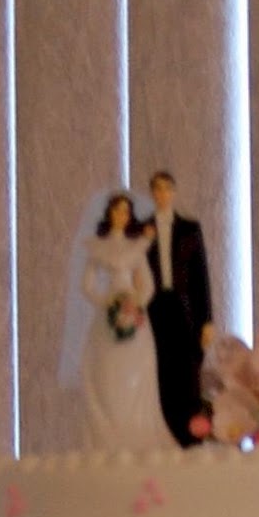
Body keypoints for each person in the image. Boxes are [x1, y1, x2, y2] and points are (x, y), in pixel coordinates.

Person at [77, 191, 176, 452]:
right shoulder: (98, 247)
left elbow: (149, 286)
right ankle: (107, 434)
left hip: (133, 315)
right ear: (109, 214)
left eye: (125, 211)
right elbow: (86, 286)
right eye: (116, 210)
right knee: (106, 373)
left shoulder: (136, 247)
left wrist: (135, 304)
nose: (121, 215)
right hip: (107, 317)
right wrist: (107, 302)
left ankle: (134, 432)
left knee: (133, 372)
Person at [143, 171, 214, 446]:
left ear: (173, 192)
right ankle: (167, 430)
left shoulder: (189, 228)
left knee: (188, 367)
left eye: (167, 189)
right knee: (162, 368)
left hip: (184, 307)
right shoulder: (142, 229)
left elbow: (201, 276)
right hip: (155, 306)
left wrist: (207, 319)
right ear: (152, 193)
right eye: (157, 189)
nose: (162, 194)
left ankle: (191, 433)